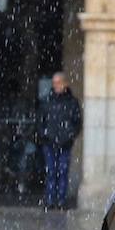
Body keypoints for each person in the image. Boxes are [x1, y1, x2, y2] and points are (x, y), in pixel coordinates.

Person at [36, 71, 82, 209]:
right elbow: (40, 121)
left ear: (65, 84)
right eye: (54, 83)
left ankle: (61, 201)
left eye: (58, 82)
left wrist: (69, 136)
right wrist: (44, 135)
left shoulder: (72, 102)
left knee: (62, 172)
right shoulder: (46, 101)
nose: (56, 85)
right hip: (49, 143)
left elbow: (77, 122)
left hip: (65, 144)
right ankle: (50, 200)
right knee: (51, 171)